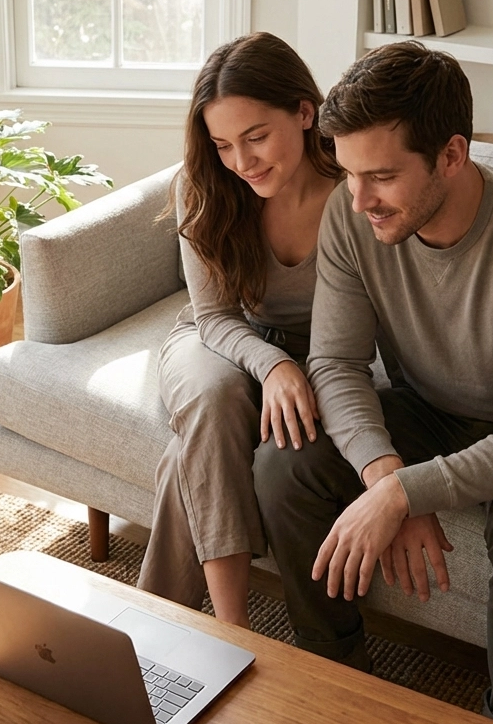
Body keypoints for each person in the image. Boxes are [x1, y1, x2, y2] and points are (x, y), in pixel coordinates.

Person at [254, 41, 493, 724]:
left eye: (384, 176)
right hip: (428, 412)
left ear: (451, 156)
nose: (359, 199)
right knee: (284, 462)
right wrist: (385, 468)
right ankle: (333, 679)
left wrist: (406, 493)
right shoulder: (351, 212)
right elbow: (335, 364)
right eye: (349, 173)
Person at [136, 31, 343, 627]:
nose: (242, 162)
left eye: (256, 137)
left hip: (320, 356)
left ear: (305, 113)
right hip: (215, 339)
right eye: (223, 144)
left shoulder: (352, 194)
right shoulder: (203, 187)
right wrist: (273, 365)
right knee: (215, 394)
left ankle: (153, 624)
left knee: (189, 457)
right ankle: (232, 630)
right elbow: (215, 317)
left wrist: (297, 368)